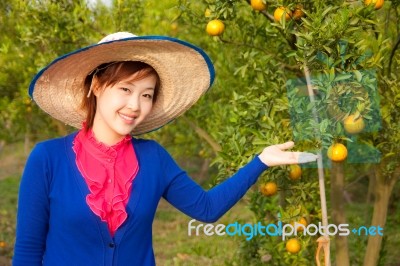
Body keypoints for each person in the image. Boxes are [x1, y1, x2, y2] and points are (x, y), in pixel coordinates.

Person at [12, 32, 317, 266]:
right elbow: (27, 251)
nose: (135, 106)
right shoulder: (48, 158)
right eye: (125, 89)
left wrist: (260, 161)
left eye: (147, 95)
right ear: (95, 85)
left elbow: (206, 209)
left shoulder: (153, 158)